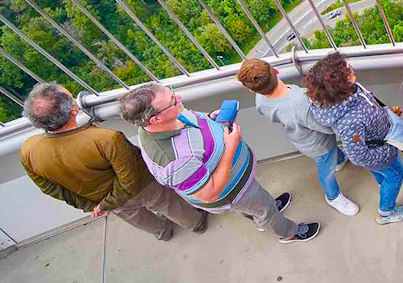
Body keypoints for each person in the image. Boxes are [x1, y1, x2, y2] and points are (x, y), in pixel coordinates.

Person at [118, 83, 319, 243]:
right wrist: (231, 147)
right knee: (264, 209)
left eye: (172, 93)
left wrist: (212, 120)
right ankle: (288, 233)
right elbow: (210, 192)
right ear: (155, 119)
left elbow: (194, 127)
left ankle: (263, 212)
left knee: (258, 205)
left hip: (239, 183)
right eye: (172, 101)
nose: (178, 99)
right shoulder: (173, 161)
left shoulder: (168, 117)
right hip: (232, 192)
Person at [20, 82, 208, 241]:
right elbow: (128, 180)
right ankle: (196, 223)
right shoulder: (105, 139)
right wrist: (107, 203)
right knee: (166, 203)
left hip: (103, 199)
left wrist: (95, 205)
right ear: (73, 110)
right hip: (142, 185)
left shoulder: (29, 150)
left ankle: (163, 232)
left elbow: (51, 189)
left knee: (137, 218)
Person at [236, 58, 360, 218]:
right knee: (326, 170)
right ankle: (333, 197)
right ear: (275, 71)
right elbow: (323, 126)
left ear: (252, 90)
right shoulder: (301, 100)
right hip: (319, 144)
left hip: (301, 139)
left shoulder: (260, 100)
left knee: (332, 156)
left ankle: (340, 160)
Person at [305, 52, 403, 225]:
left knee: (386, 173)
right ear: (339, 86)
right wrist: (390, 148)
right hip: (382, 150)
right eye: (347, 71)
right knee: (395, 176)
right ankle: (386, 212)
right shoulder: (350, 122)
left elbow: (367, 104)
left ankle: (383, 180)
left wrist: (385, 113)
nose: (351, 70)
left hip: (381, 141)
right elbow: (359, 156)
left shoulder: (350, 90)